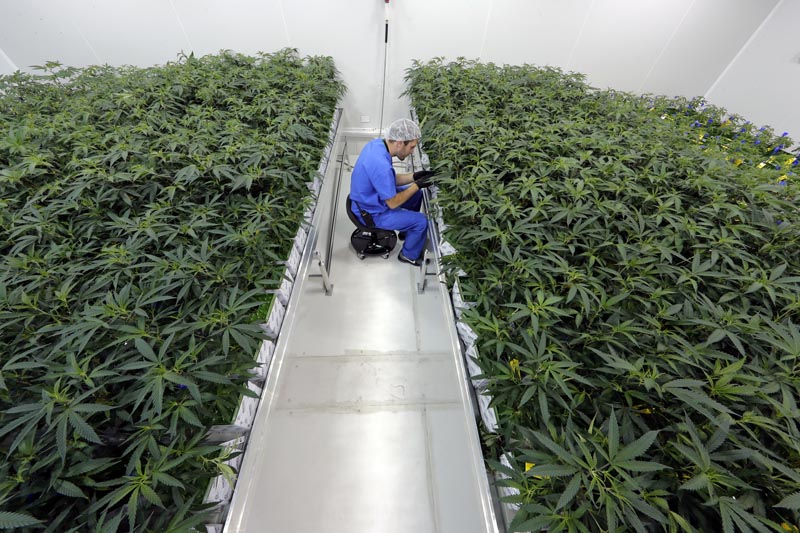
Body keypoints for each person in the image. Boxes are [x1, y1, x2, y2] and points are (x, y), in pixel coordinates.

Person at [349, 118, 436, 266]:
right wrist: (417, 185)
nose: (412, 151)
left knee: (416, 194)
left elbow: (389, 179)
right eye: (412, 147)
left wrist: (415, 177)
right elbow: (393, 202)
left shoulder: (377, 146)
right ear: (400, 143)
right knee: (421, 221)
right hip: (370, 213)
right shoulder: (381, 164)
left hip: (365, 199)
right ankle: (408, 255)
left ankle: (406, 230)